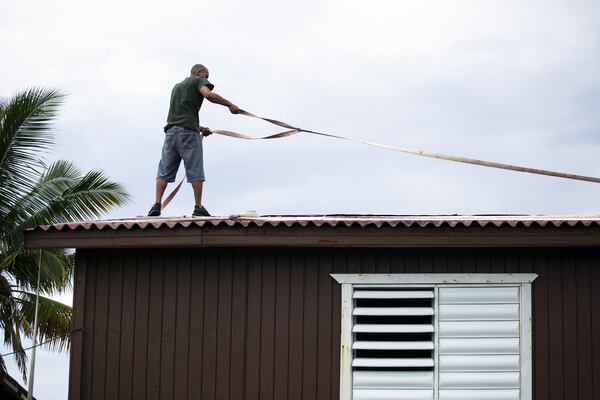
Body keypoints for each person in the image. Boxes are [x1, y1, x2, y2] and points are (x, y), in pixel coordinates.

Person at [148, 64, 241, 217]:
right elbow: (208, 95)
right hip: (188, 135)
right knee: (195, 170)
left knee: (164, 170)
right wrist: (230, 105)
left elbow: (181, 117)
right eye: (206, 76)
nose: (207, 80)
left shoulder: (176, 88)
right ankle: (198, 207)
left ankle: (156, 204)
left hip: (171, 134)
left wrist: (200, 128)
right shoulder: (198, 81)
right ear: (198, 73)